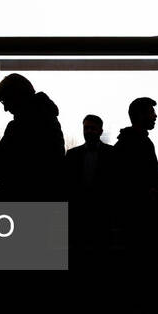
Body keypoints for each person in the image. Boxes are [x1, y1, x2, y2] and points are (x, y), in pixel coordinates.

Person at [0, 73, 65, 201]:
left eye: (5, 100)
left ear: (16, 96)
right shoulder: (47, 118)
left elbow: (13, 164)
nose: (5, 108)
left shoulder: (21, 125)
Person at [113, 97, 158, 272]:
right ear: (141, 115)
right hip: (142, 216)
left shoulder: (125, 143)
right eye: (151, 112)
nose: (155, 116)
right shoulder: (141, 142)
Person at [64, 114, 115, 269]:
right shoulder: (110, 153)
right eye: (86, 128)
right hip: (80, 212)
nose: (89, 131)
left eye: (92, 128)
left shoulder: (73, 154)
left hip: (100, 211)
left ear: (100, 131)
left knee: (95, 252)